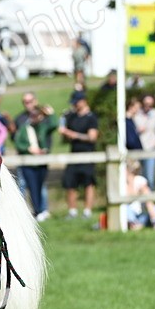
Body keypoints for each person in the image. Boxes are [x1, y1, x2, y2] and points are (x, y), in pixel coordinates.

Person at [14, 97, 56, 220]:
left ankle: (42, 210)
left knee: (40, 185)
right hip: (28, 162)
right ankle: (36, 211)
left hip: (40, 161)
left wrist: (51, 114)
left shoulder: (42, 127)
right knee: (31, 187)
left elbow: (53, 125)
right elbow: (18, 143)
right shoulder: (24, 128)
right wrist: (28, 149)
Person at [59, 91, 99, 219]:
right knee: (70, 182)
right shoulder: (72, 117)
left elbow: (92, 137)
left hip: (87, 154)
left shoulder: (91, 118)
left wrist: (73, 135)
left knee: (88, 183)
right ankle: (72, 211)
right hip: (74, 153)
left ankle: (87, 211)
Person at [134, 93, 155, 189]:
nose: (148, 107)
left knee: (150, 177)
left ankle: (150, 201)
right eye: (146, 104)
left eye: (150, 105)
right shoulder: (136, 113)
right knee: (138, 177)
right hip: (137, 149)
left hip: (150, 149)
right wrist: (137, 131)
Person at [122, 160, 155, 230]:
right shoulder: (122, 183)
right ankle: (134, 224)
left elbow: (148, 197)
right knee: (125, 209)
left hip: (142, 214)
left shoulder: (140, 181)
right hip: (130, 215)